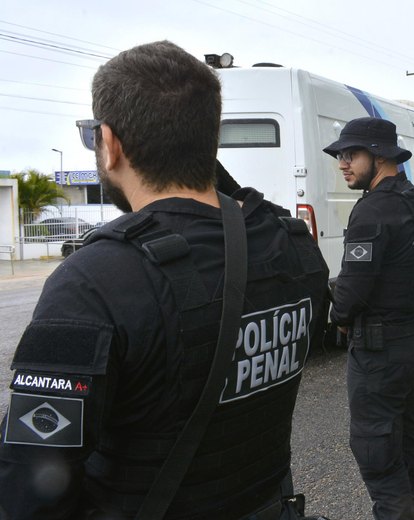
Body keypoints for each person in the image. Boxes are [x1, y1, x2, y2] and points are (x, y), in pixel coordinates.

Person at [0, 41, 330, 519]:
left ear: (109, 144)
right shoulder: (291, 243)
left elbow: (28, 488)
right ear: (208, 140)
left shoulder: (96, 280)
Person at [323, 117, 414, 520]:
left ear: (379, 156)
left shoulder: (373, 210)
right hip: (412, 343)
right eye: (341, 155)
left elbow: (353, 288)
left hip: (378, 352)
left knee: (378, 452)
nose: (343, 163)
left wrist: (340, 317)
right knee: (409, 440)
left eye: (350, 154)